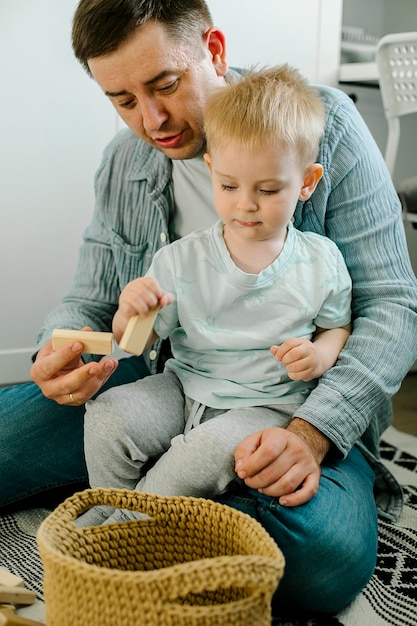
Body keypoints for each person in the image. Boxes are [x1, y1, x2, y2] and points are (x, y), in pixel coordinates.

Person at [0, 0, 415, 614]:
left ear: (213, 50)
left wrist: (312, 434)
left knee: (315, 559)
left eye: (164, 84)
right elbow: (91, 296)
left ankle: (174, 506)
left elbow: (392, 306)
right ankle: (187, 502)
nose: (152, 119)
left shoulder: (320, 126)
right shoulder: (128, 161)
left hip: (290, 396)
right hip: (171, 376)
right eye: (122, 100)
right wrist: (56, 351)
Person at [80, 65, 352, 524]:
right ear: (212, 171)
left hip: (268, 405)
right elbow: (134, 345)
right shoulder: (181, 260)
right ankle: (114, 518)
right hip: (185, 387)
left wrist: (321, 355)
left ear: (306, 182)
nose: (245, 203)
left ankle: (114, 536)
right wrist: (132, 313)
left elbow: (337, 325)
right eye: (229, 186)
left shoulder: (320, 261)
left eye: (268, 190)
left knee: (200, 454)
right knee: (107, 415)